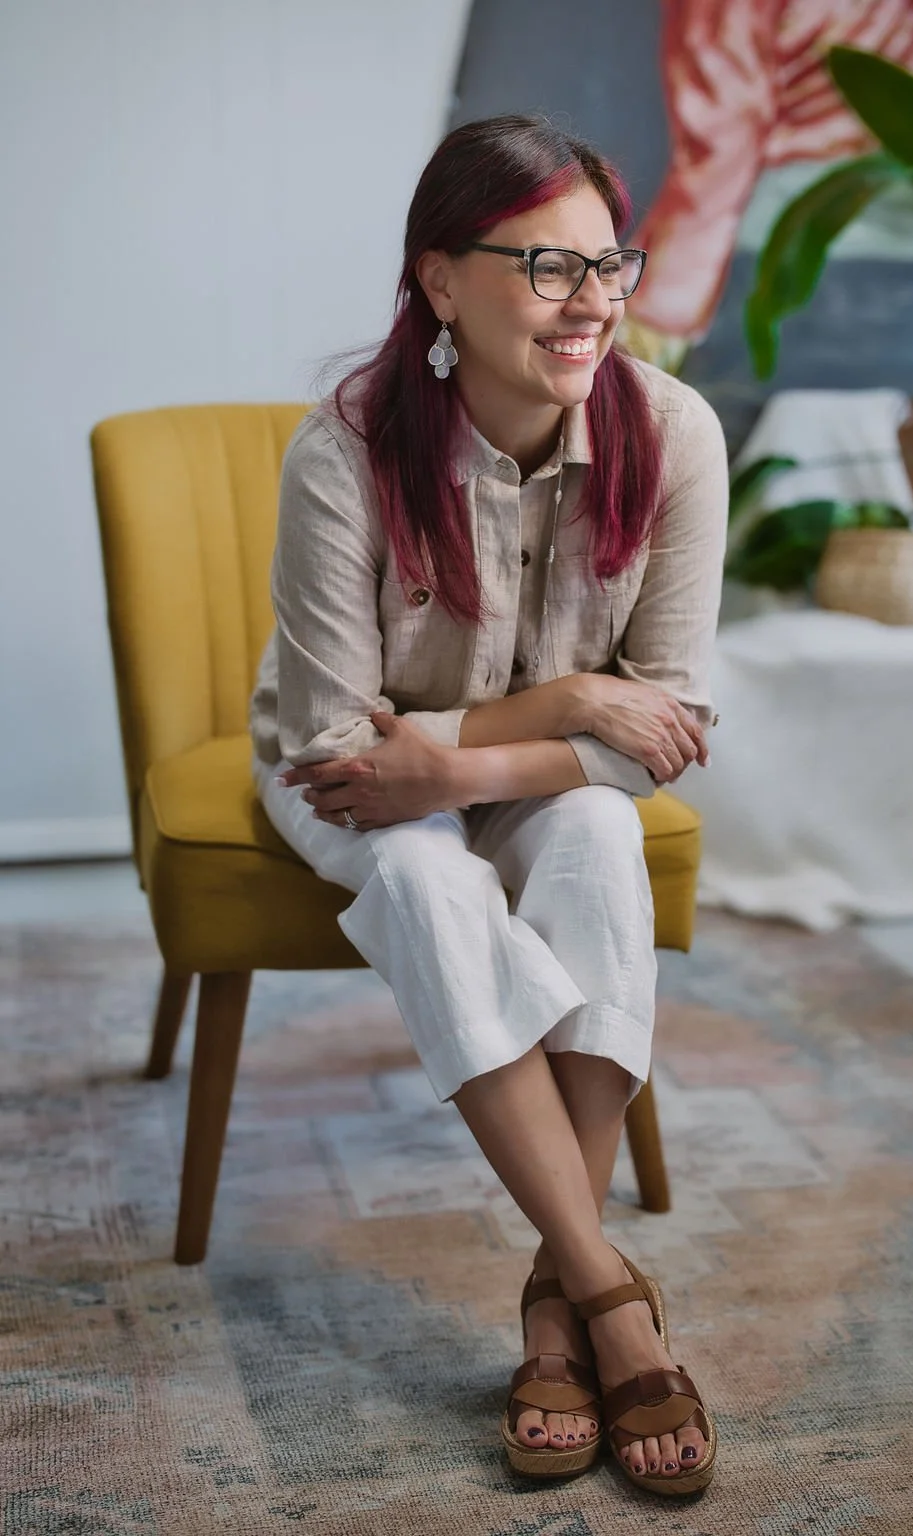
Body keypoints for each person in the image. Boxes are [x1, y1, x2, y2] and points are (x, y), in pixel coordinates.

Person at [249, 114, 727, 1497]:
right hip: (337, 782)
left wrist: (466, 763)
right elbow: (344, 748)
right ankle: (604, 1289)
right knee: (417, 874)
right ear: (440, 280)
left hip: (483, 774)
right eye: (545, 267)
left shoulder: (675, 434)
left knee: (586, 832)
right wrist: (574, 702)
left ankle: (550, 1298)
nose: (591, 305)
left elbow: (668, 729)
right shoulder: (344, 451)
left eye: (608, 266)